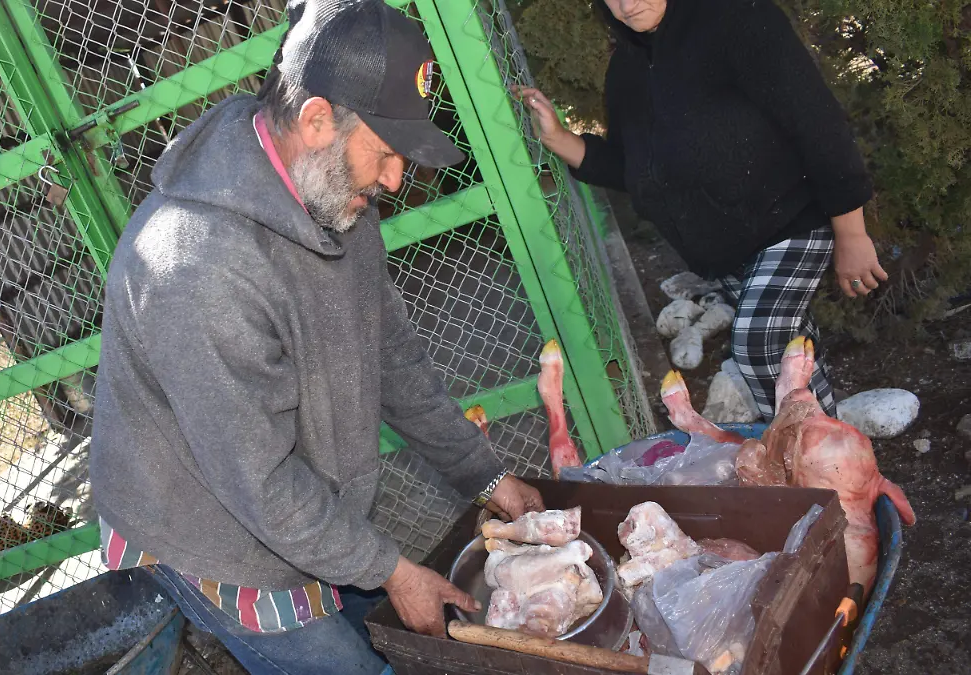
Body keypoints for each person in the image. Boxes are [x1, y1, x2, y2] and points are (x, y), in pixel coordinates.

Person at [87, 1, 545, 673]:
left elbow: (393, 357)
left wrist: (486, 474)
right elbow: (261, 484)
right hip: (210, 522)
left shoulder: (334, 192)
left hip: (285, 489)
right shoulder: (199, 270)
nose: (394, 180)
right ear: (317, 120)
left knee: (367, 598)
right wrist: (389, 567)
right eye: (386, 153)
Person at [516, 0, 887, 421]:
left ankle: (808, 471)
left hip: (790, 221)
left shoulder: (738, 19)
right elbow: (636, 169)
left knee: (758, 345)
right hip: (726, 254)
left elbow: (817, 123)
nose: (626, 4)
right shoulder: (626, 70)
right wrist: (561, 139)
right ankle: (838, 464)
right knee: (790, 355)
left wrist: (851, 233)